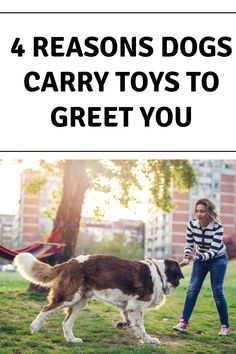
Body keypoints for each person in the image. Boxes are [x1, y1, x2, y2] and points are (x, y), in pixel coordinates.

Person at [173, 198, 231, 336]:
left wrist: (196, 257)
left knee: (217, 292)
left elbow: (213, 251)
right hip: (200, 258)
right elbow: (189, 244)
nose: (199, 214)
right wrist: (187, 256)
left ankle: (225, 327)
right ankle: (183, 322)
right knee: (192, 289)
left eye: (202, 211)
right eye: (197, 211)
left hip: (218, 259)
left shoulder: (218, 227)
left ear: (209, 212)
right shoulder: (192, 225)